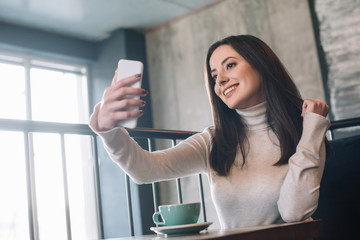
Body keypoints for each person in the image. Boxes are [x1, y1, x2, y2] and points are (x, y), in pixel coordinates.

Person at [89, 35, 330, 229]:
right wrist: (108, 130)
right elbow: (145, 170)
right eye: (214, 76)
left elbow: (294, 212)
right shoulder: (213, 141)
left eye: (230, 65)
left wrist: (312, 129)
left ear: (262, 65)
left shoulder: (305, 131)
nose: (221, 80)